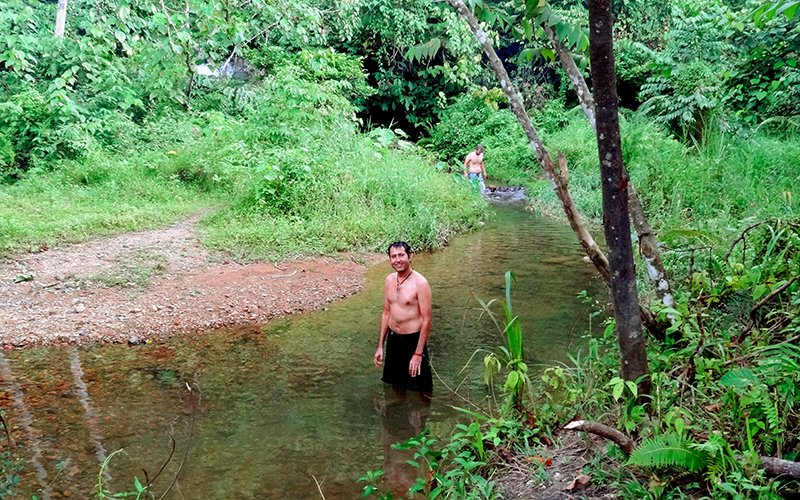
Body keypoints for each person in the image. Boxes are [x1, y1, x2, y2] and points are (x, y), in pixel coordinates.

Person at [373, 241, 433, 395]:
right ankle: (396, 415)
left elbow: (427, 320)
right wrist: (381, 345)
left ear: (410, 256)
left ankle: (421, 416)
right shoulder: (389, 280)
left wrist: (418, 354)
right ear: (389, 259)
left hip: (413, 341)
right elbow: (386, 313)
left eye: (401, 255)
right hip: (393, 340)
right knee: (395, 384)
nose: (397, 260)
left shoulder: (421, 283)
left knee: (422, 389)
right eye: (393, 256)